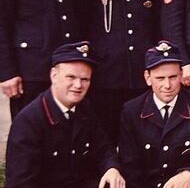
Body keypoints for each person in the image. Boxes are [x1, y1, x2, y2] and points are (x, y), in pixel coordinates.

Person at [78, 0, 161, 143]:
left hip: (141, 73)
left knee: (142, 137)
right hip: (107, 75)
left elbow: (157, 23)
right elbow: (83, 22)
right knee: (107, 134)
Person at [5, 41, 125, 188]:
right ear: (54, 75)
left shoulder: (84, 107)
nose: (78, 85)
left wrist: (112, 168)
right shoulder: (29, 121)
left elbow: (104, 148)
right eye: (71, 77)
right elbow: (21, 183)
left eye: (85, 79)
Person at [118, 41, 190, 188]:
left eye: (173, 77)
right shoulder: (132, 110)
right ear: (147, 77)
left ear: (181, 75)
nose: (167, 85)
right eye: (160, 78)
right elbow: (130, 167)